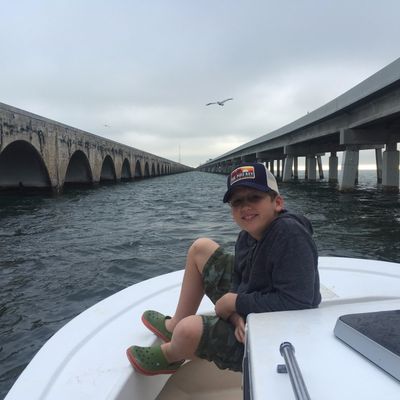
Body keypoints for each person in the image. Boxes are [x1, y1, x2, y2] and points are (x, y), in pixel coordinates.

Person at [126, 162, 321, 375]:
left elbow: (298, 302)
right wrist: (234, 315)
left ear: (277, 203)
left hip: (280, 328)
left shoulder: (290, 234)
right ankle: (174, 325)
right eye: (237, 202)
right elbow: (238, 280)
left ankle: (171, 355)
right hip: (253, 303)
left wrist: (235, 303)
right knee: (201, 248)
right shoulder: (246, 237)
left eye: (255, 197)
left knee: (188, 331)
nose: (245, 206)